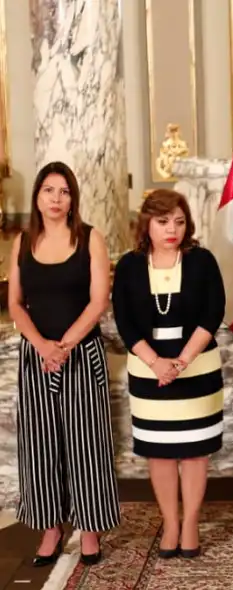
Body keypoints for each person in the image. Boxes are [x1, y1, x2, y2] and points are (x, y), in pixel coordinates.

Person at [7, 161, 119, 566]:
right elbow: (16, 305)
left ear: (73, 198)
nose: (56, 199)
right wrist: (41, 345)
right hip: (36, 358)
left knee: (87, 446)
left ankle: (89, 532)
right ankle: (50, 530)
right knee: (39, 448)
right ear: (37, 197)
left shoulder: (91, 238)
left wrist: (65, 345)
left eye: (64, 191)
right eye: (48, 191)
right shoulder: (22, 241)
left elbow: (98, 301)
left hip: (81, 355)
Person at [112, 189, 226, 559]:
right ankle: (170, 522)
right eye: (162, 222)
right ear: (147, 224)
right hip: (148, 371)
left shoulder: (202, 260)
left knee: (195, 453)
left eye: (178, 221)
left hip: (197, 368)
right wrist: (156, 363)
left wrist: (181, 361)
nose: (171, 229)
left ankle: (190, 522)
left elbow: (214, 312)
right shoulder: (130, 265)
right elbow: (125, 322)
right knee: (159, 453)